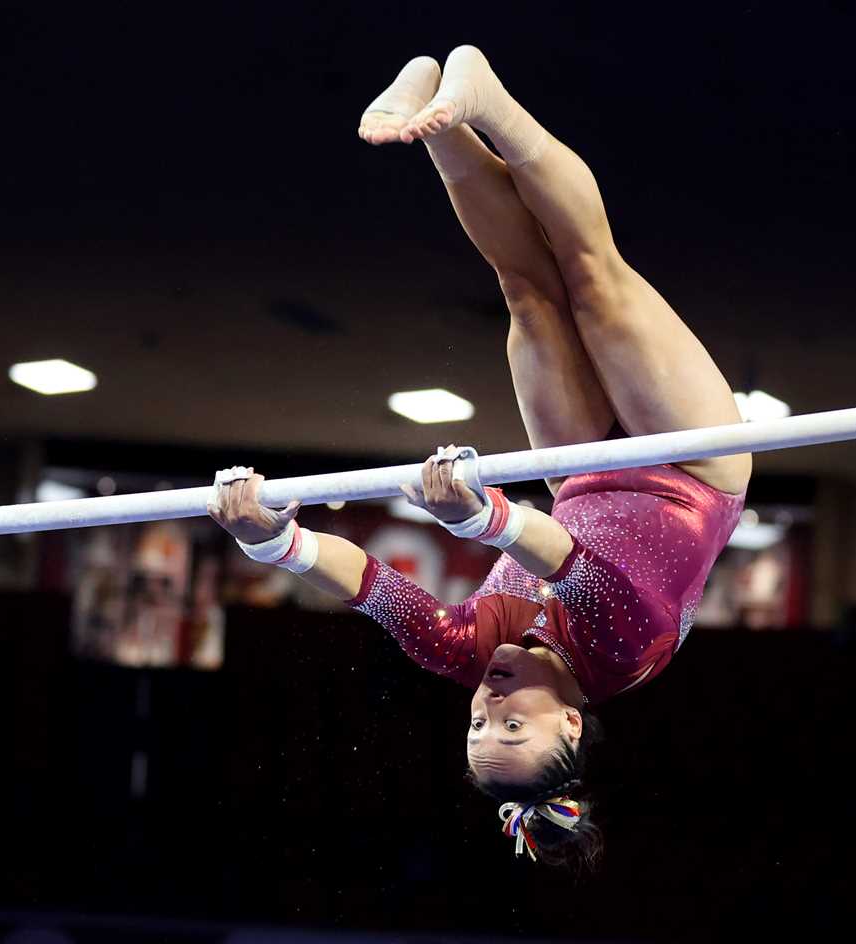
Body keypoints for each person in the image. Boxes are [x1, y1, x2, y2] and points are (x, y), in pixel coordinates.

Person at [208, 46, 750, 870]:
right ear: (571, 721)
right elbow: (572, 563)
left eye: (476, 726)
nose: (487, 705)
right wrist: (482, 516)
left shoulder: (461, 648)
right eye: (511, 725)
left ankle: (438, 121)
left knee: (526, 292)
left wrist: (268, 540)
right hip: (690, 469)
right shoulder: (623, 653)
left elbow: (368, 585)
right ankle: (490, 101)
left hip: (579, 471)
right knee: (593, 280)